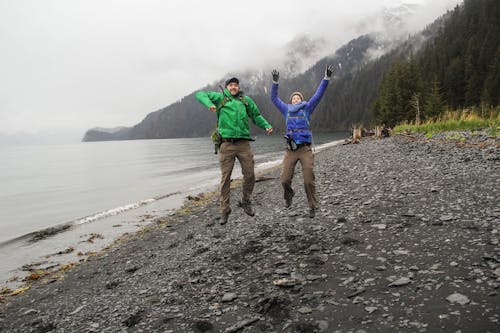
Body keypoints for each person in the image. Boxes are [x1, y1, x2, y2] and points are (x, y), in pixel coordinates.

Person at [196, 77, 273, 225]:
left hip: (244, 143)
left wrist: (266, 125)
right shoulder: (220, 98)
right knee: (225, 179)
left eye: (235, 85)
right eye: (230, 85)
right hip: (226, 144)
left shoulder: (246, 100)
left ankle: (246, 201)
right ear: (226, 87)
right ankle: (225, 210)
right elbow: (200, 94)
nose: (233, 87)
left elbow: (256, 115)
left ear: (238, 87)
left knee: (250, 174)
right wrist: (209, 104)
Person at [270, 65, 334, 218]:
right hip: (290, 150)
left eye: (298, 97)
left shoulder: (307, 108)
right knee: (284, 180)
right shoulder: (286, 109)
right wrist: (275, 82)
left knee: (308, 180)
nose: (296, 99)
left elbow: (318, 95)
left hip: (305, 149)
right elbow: (274, 98)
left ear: (302, 100)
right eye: (294, 98)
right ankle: (289, 195)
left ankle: (312, 206)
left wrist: (326, 78)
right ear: (290, 101)